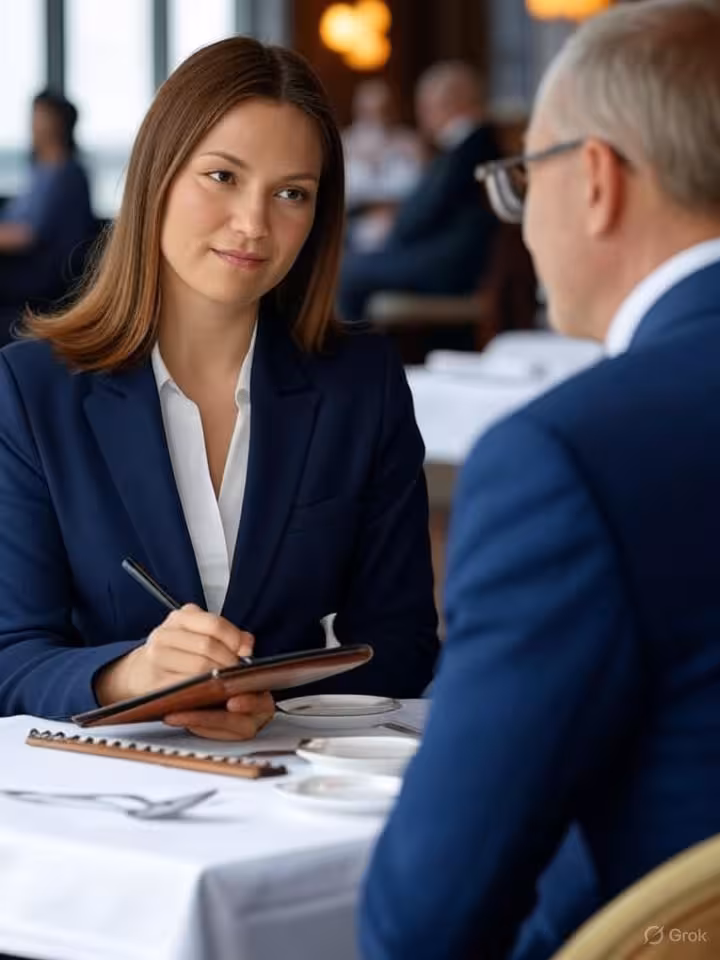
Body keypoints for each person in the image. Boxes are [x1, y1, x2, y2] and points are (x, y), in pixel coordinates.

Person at [360, 1, 720, 957]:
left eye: (524, 179)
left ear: (595, 180)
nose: (517, 223)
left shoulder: (568, 457)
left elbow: (426, 920)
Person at [0, 37, 439, 739]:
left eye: (291, 193)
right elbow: (11, 656)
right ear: (158, 176)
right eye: (223, 177)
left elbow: (404, 643)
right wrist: (135, 676)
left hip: (298, 786)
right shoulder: (31, 393)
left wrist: (275, 697)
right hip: (98, 798)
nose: (254, 225)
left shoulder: (363, 385)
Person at [337, 61, 500, 322]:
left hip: (450, 265)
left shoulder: (469, 148)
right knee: (350, 262)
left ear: (451, 103)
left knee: (347, 271)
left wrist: (393, 231)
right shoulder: (469, 146)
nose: (423, 115)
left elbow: (421, 214)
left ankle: (351, 361)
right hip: (442, 253)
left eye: (426, 106)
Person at [0, 90, 96, 316]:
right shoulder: (41, 171)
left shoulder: (65, 175)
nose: (33, 125)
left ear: (57, 124)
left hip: (39, 275)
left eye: (39, 117)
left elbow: (27, 234)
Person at [342, 79, 424, 252]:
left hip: (402, 226)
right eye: (368, 112)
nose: (376, 118)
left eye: (383, 111)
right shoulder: (344, 144)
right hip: (351, 229)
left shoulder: (411, 143)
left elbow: (427, 191)